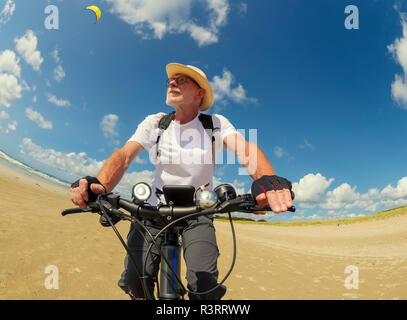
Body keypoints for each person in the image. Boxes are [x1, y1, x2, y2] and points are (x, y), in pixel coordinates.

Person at [69, 62, 294, 299]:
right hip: (153, 209)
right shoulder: (156, 122)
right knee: (137, 279)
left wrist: (267, 180)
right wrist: (100, 185)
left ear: (200, 93)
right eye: (170, 80)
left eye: (182, 79)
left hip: (197, 211)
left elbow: (245, 149)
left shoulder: (214, 124)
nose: (172, 83)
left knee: (203, 285)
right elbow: (124, 156)